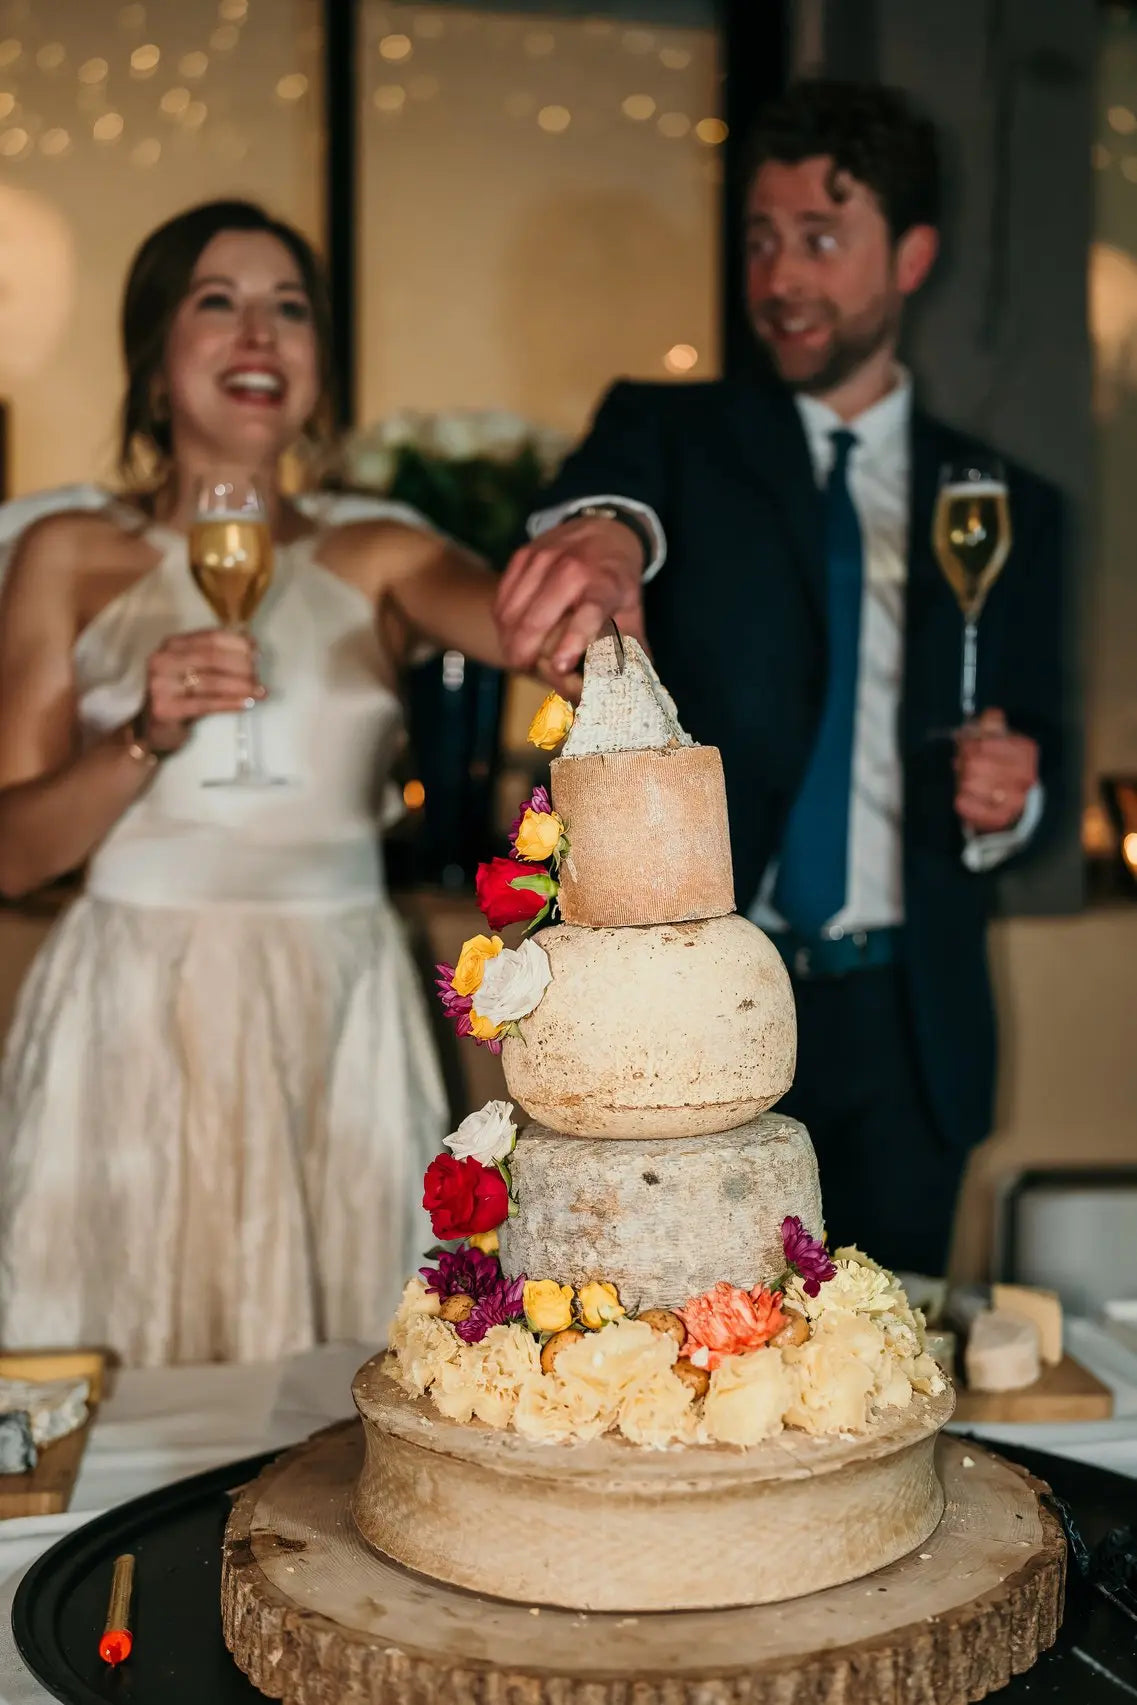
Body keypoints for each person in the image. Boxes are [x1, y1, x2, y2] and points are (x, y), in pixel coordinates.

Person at [0, 199, 639, 1366]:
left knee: (346, 1384)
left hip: (333, 1001)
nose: (261, 333)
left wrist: (589, 581)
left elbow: (523, 623)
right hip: (131, 1008)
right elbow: (13, 854)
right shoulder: (66, 553)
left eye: (289, 309)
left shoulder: (381, 546)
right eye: (219, 303)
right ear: (153, 363)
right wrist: (140, 734)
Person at [496, 82, 1065, 1275]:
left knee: (882, 1362)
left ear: (911, 256)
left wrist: (1019, 796)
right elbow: (610, 492)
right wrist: (605, 531)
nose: (780, 277)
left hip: (913, 1023)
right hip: (704, 1016)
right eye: (761, 239)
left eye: (819, 238)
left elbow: (1038, 734)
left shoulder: (1004, 504)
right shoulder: (677, 436)